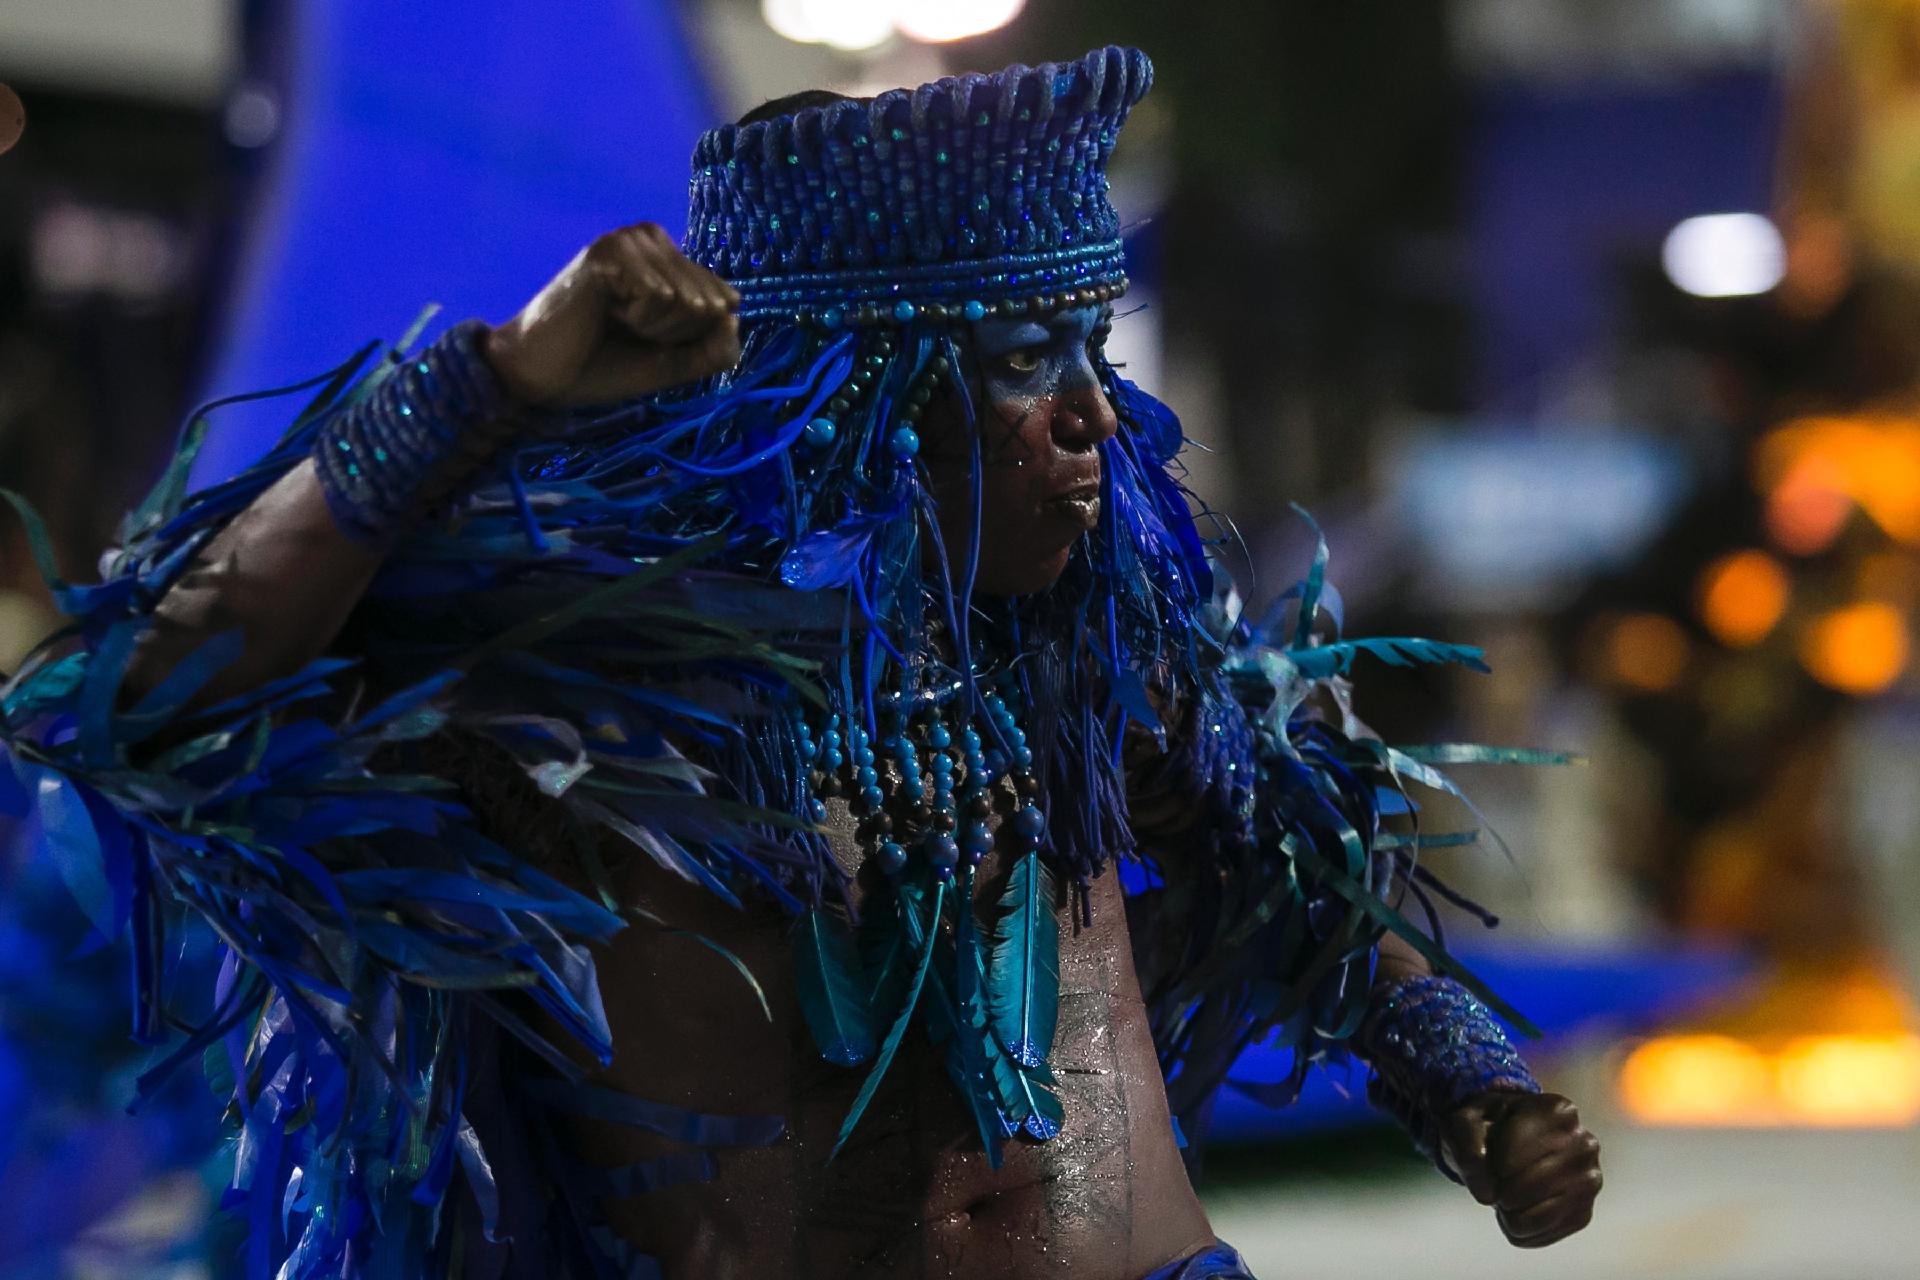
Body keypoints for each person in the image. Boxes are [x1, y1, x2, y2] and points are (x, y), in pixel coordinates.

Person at [1, 47, 1600, 1278]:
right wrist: (479, 386)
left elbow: (1298, 874)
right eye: (1022, 362)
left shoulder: (1102, 655)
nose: (1092, 418)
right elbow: (133, 710)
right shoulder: (590, 703)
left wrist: (1467, 1083)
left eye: (1091, 351)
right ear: (852, 399)